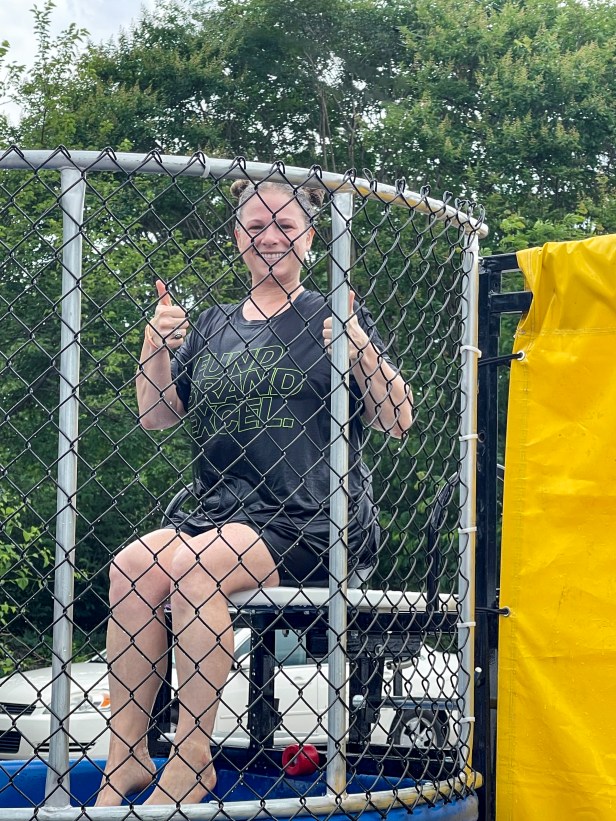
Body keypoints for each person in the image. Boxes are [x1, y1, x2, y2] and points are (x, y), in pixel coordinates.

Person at [95, 180, 414, 807]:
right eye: (256, 224)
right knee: (129, 568)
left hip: (311, 517)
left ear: (310, 237)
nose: (270, 236)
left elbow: (397, 418)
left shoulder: (330, 313)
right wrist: (155, 349)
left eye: (286, 225)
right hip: (219, 512)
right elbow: (158, 414)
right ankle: (126, 757)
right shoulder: (211, 324)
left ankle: (191, 762)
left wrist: (360, 353)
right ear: (238, 236)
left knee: (193, 570)